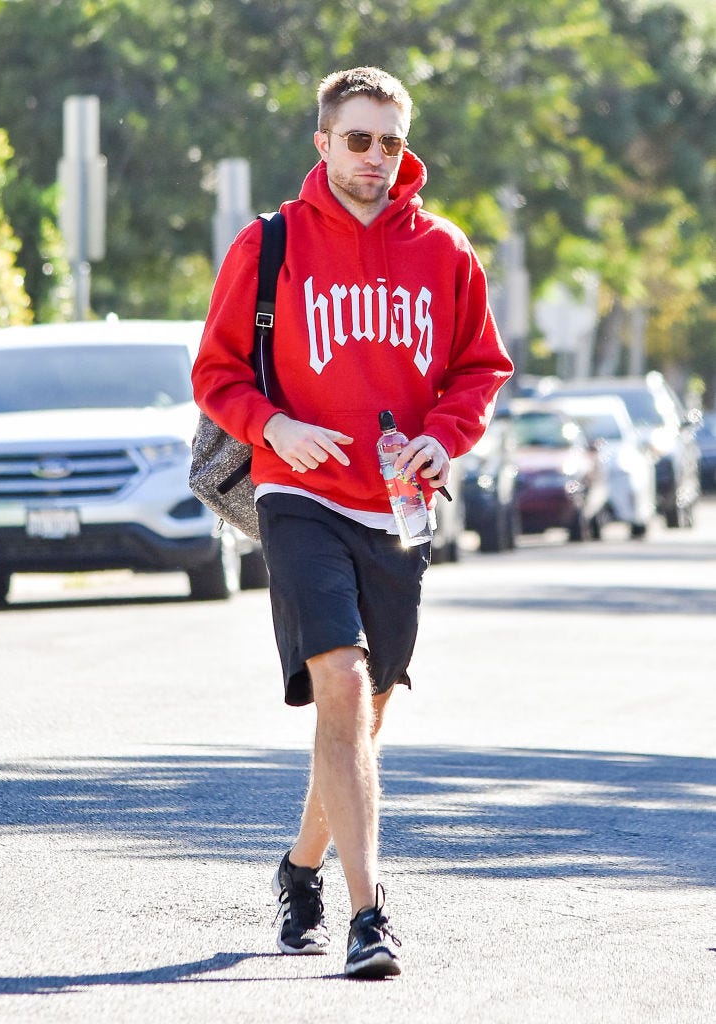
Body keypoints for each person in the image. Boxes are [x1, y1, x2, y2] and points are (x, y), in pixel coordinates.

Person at [192, 66, 513, 979]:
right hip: (297, 490)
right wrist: (271, 425)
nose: (375, 158)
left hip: (397, 507)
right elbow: (216, 372)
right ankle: (370, 915)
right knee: (339, 677)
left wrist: (440, 439)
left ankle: (299, 866)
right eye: (358, 139)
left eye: (391, 142)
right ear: (323, 143)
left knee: (364, 711)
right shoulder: (269, 244)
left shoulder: (444, 251)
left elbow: (478, 369)